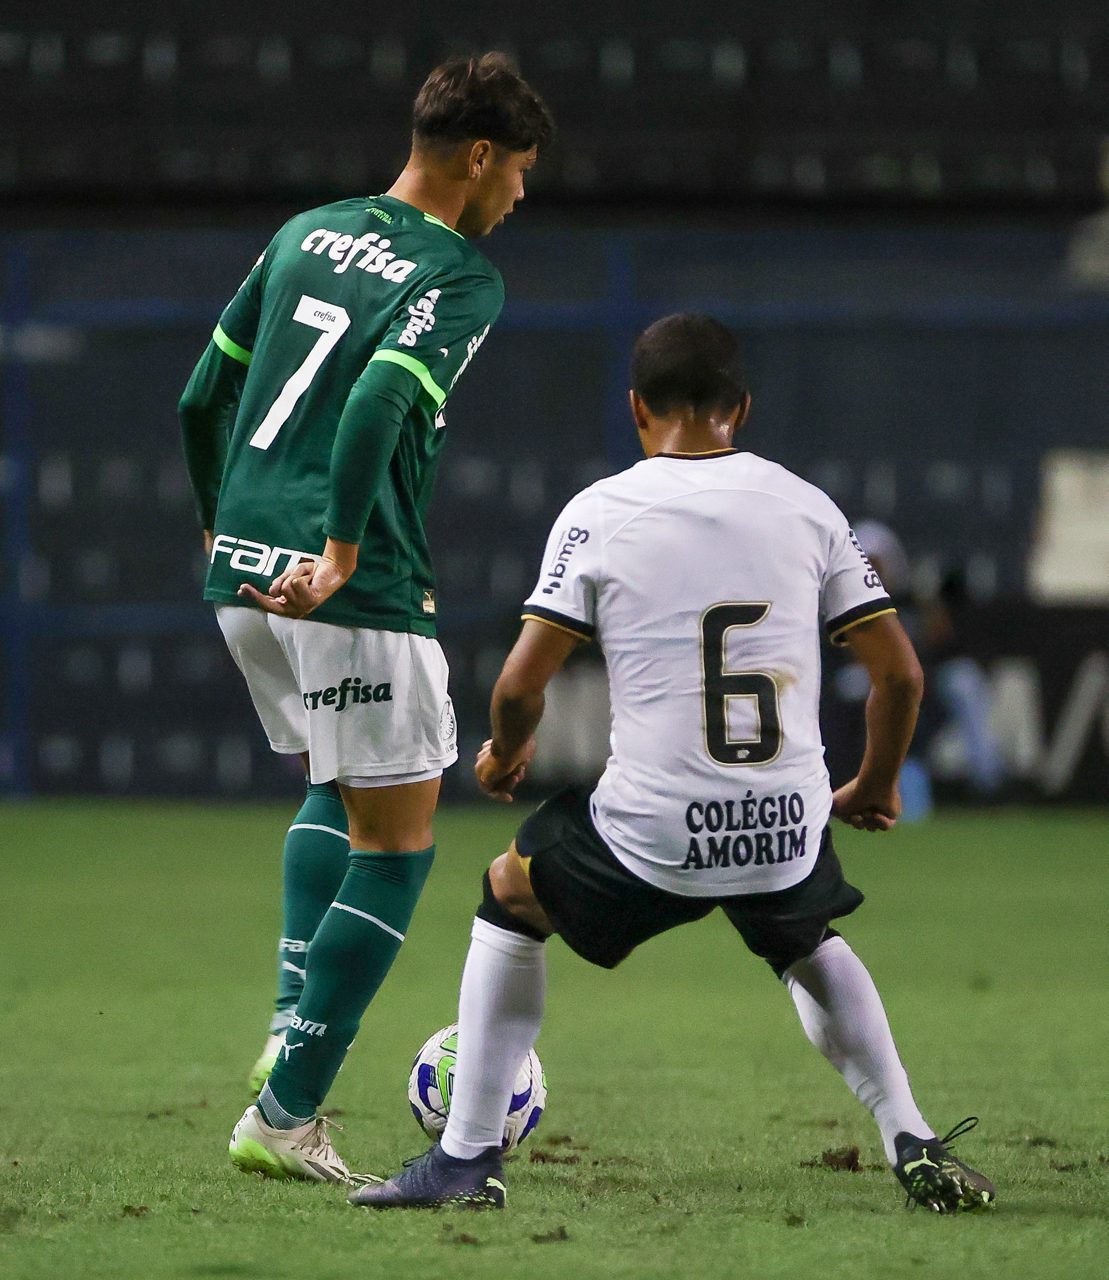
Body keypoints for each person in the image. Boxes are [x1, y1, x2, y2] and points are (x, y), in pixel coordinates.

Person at [353, 314, 996, 1213]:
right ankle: (908, 1132)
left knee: (510, 892)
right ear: (742, 407)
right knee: (802, 933)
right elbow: (900, 675)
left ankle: (464, 1157)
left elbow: (519, 684)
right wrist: (876, 784)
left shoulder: (600, 512)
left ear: (635, 408)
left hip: (655, 830)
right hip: (784, 821)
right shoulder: (808, 506)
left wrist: (506, 752)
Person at [178, 53, 554, 1183]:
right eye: (519, 170)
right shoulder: (458, 272)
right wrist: (340, 548)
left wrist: (220, 523)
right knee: (397, 846)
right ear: (478, 157)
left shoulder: (305, 231)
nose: (519, 195)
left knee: (333, 788)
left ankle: (285, 1022)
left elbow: (202, 394)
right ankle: (287, 1110)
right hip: (354, 585)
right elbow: (382, 397)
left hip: (244, 579)